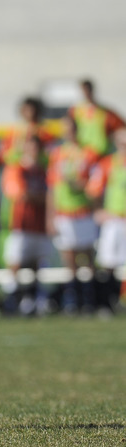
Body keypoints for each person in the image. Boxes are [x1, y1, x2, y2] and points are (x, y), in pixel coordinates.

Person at [46, 115, 98, 313]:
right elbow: (52, 187)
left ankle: (91, 299)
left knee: (87, 257)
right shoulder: (58, 154)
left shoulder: (87, 153)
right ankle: (73, 300)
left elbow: (94, 183)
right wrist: (50, 217)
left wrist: (79, 185)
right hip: (64, 213)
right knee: (69, 259)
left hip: (82, 212)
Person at [1, 135, 54, 315]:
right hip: (21, 224)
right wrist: (45, 199)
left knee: (37, 264)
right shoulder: (16, 169)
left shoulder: (44, 171)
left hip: (39, 225)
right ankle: (10, 299)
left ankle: (32, 299)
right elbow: (21, 194)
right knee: (15, 262)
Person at [85, 127, 126, 310]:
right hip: (115, 219)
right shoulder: (108, 164)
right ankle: (106, 302)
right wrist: (99, 210)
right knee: (108, 262)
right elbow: (93, 190)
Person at [68, 79, 125, 157]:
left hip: (101, 153)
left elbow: (120, 126)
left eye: (87, 90)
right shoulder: (76, 111)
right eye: (84, 90)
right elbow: (69, 128)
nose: (86, 93)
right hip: (84, 153)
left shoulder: (104, 112)